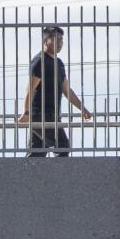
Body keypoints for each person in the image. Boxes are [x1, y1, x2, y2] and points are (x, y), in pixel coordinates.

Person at [17, 24, 93, 157]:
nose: (60, 43)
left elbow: (67, 90)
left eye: (61, 40)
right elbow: (31, 89)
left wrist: (83, 109)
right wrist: (26, 112)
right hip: (40, 116)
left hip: (53, 116)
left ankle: (31, 177)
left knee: (37, 154)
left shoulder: (59, 63)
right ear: (46, 41)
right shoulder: (39, 61)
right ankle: (59, 177)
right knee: (62, 146)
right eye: (56, 39)